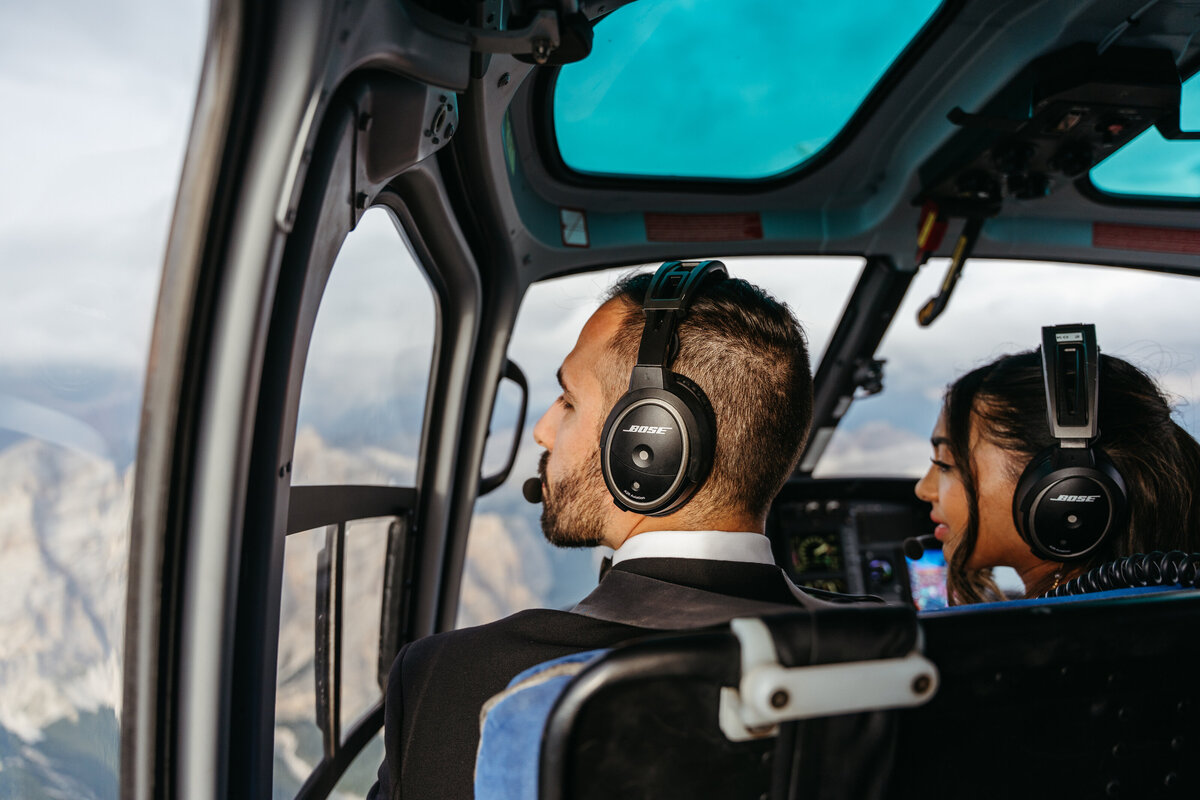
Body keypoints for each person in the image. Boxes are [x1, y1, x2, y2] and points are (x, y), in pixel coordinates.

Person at [368, 265, 846, 799]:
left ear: (651, 445)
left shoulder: (459, 682)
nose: (542, 430)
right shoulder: (888, 654)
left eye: (569, 401)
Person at [915, 349, 1200, 605]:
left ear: (1062, 487)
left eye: (945, 464)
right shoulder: (1169, 605)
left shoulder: (1042, 643)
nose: (923, 489)